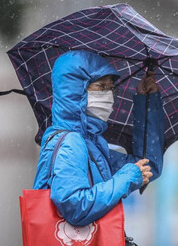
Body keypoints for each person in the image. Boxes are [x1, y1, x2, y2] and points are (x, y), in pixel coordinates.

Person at [32, 50, 164, 233]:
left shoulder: (92, 144)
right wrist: (126, 179)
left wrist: (147, 103)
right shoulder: (71, 142)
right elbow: (75, 207)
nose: (108, 95)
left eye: (111, 88)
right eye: (101, 87)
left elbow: (147, 165)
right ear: (77, 91)